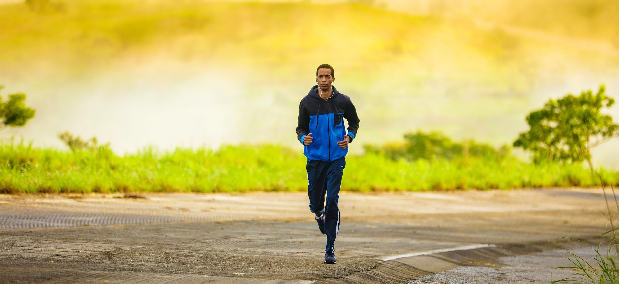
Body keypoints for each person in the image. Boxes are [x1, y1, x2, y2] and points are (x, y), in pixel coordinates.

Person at [296, 64, 360, 264]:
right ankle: (318, 213)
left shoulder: (343, 101)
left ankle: (330, 247)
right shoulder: (306, 103)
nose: (324, 79)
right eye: (321, 76)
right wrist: (303, 138)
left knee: (332, 199)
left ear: (333, 79)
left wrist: (349, 137)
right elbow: (300, 128)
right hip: (315, 158)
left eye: (327, 76)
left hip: (336, 159)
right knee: (316, 202)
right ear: (316, 79)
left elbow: (355, 122)